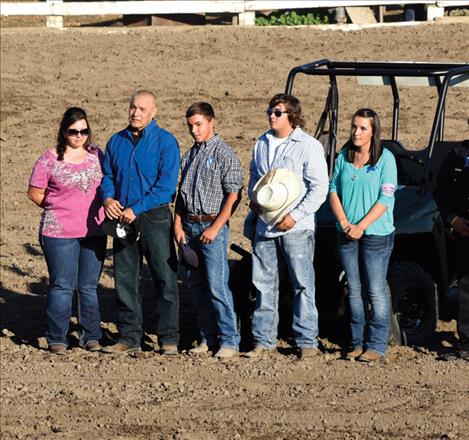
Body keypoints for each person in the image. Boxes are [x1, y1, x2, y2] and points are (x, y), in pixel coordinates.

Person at [245, 94, 329, 359]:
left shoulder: (308, 146)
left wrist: (295, 215)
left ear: (292, 116)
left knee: (302, 284)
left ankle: (306, 341)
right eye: (270, 111)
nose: (272, 115)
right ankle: (263, 340)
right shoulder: (261, 143)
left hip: (297, 227)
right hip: (265, 226)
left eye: (278, 112)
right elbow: (255, 179)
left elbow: (319, 188)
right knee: (262, 283)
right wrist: (256, 201)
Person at [100, 90, 180, 356]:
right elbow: (108, 175)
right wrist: (108, 198)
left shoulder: (166, 142)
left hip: (154, 216)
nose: (136, 113)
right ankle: (129, 336)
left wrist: (138, 207)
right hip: (123, 217)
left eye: (143, 109)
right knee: (125, 278)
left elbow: (167, 186)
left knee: (164, 277)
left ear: (154, 112)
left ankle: (168, 337)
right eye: (133, 107)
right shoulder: (116, 141)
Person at [27, 107, 107, 355]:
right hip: (58, 232)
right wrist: (59, 207)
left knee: (89, 286)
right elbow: (34, 192)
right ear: (64, 132)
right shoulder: (49, 159)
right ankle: (56, 338)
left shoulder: (97, 155)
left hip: (94, 231)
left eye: (84, 131)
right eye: (74, 131)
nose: (79, 136)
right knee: (62, 285)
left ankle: (91, 336)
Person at [173, 102, 244, 358]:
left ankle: (229, 340)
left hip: (211, 225)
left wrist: (216, 227)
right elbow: (181, 195)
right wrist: (178, 225)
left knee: (217, 285)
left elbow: (234, 195)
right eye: (190, 126)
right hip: (190, 227)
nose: (194, 130)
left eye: (199, 124)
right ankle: (206, 337)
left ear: (211, 122)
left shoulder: (225, 154)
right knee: (197, 286)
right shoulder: (189, 155)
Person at [329, 108, 397, 363]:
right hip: (346, 232)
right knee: (353, 289)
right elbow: (333, 188)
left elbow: (385, 198)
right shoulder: (343, 157)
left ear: (373, 131)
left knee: (375, 290)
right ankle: (356, 342)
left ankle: (377, 344)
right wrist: (345, 222)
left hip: (376, 235)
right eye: (354, 127)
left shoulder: (385, 159)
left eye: (363, 128)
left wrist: (361, 226)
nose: (356, 132)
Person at [434, 140, 469, 361]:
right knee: (466, 288)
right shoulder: (456, 154)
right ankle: (466, 344)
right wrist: (452, 219)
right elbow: (441, 191)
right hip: (463, 231)